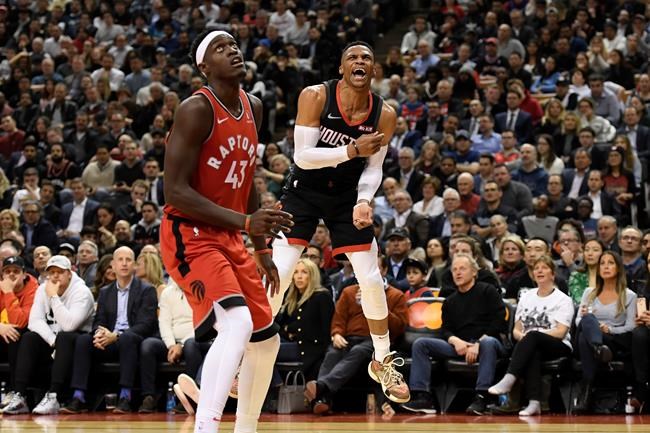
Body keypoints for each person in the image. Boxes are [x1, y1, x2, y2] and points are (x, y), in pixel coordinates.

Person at [159, 30, 293, 433]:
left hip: (230, 235)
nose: (232, 50)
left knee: (266, 340)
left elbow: (245, 179)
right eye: (220, 47)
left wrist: (261, 249)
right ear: (204, 66)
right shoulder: (195, 109)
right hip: (189, 234)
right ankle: (206, 426)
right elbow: (174, 192)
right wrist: (246, 223)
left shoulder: (254, 107)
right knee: (237, 324)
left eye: (234, 44)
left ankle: (244, 427)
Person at [271, 41, 410, 403]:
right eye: (353, 57)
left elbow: (374, 168)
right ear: (342, 68)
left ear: (373, 70)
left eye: (367, 58)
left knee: (371, 278)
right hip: (303, 191)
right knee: (280, 273)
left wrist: (364, 200)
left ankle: (382, 360)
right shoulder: (315, 96)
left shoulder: (384, 114)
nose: (360, 61)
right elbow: (302, 157)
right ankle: (246, 352)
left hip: (346, 195)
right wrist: (351, 150)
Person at [402, 253, 507, 415]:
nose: (458, 273)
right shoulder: (450, 301)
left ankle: (483, 397)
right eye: (455, 269)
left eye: (462, 269)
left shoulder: (488, 291)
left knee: (488, 343)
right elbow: (446, 329)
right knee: (421, 344)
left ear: (474, 272)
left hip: (488, 343)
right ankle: (423, 397)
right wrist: (455, 341)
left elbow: (499, 320)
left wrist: (478, 343)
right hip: (460, 345)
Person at [304, 255, 408, 414]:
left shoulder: (396, 295)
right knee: (333, 352)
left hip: (376, 341)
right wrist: (337, 334)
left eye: (374, 268)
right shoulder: (349, 292)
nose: (369, 273)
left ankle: (322, 388)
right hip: (349, 338)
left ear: (384, 270)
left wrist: (379, 305)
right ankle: (322, 399)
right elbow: (339, 319)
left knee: (358, 351)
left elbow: (399, 328)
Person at [62, 247, 158, 415]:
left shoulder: (146, 289)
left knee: (127, 338)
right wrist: (99, 334)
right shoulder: (106, 292)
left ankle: (125, 397)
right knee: (83, 340)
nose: (124, 263)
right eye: (120, 260)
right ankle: (79, 396)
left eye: (128, 260)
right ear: (113, 265)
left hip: (133, 340)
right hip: (109, 340)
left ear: (134, 265)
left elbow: (146, 324)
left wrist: (117, 336)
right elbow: (99, 320)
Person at [1, 256, 94, 415]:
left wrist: (54, 297)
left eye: (60, 272)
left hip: (77, 342)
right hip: (54, 341)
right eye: (52, 272)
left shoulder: (82, 292)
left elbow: (69, 325)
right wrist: (52, 341)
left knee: (64, 337)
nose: (55, 276)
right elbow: (34, 321)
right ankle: (20, 395)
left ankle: (54, 396)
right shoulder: (43, 289)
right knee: (29, 337)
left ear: (69, 273)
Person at [489, 256, 574, 416]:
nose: (539, 271)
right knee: (533, 350)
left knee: (533, 338)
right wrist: (526, 338)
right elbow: (516, 330)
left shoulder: (563, 299)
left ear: (552, 274)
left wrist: (532, 337)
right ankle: (534, 403)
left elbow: (561, 331)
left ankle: (509, 379)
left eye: (544, 268)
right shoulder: (526, 296)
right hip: (530, 344)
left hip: (558, 344)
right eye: (536, 268)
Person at [573, 251, 637, 413]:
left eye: (610, 263)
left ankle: (586, 392)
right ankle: (597, 348)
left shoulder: (629, 296)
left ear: (618, 268)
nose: (606, 267)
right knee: (587, 319)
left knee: (584, 337)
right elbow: (578, 321)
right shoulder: (589, 292)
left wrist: (610, 329)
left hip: (611, 341)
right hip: (597, 342)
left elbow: (631, 327)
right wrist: (594, 326)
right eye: (602, 263)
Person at [273, 259, 334, 385]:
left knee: (265, 352)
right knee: (261, 348)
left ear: (312, 275)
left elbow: (325, 329)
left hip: (311, 349)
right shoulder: (291, 297)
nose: (299, 276)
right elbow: (279, 326)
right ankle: (275, 384)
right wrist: (288, 331)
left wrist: (291, 329)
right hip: (294, 345)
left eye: (304, 272)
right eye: (296, 272)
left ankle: (276, 385)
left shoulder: (321, 296)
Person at [0, 256, 39, 411]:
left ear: (24, 274)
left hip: (24, 340)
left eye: (16, 271)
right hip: (2, 333)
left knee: (15, 333)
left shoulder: (33, 290)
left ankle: (15, 392)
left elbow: (21, 322)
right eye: (7, 271)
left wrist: (8, 292)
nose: (11, 274)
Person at [568, 239, 605, 305]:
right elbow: (577, 299)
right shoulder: (576, 276)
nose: (590, 253)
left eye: (595, 250)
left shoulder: (608, 276)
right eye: (587, 250)